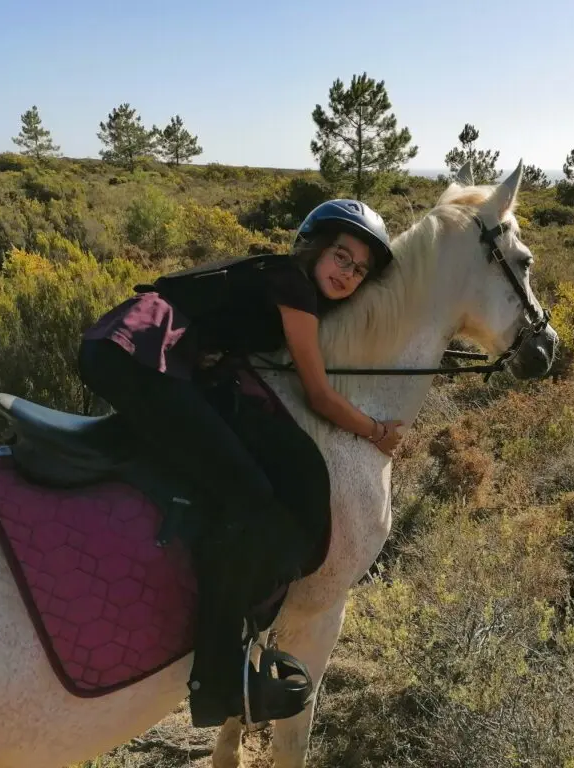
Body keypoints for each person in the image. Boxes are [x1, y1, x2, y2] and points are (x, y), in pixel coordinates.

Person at [76, 199, 404, 725]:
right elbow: (318, 395)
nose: (349, 273)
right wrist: (377, 432)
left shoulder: (281, 280)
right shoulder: (293, 284)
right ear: (316, 248)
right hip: (139, 352)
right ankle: (220, 682)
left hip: (141, 348)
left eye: (360, 269)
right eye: (342, 256)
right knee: (248, 494)